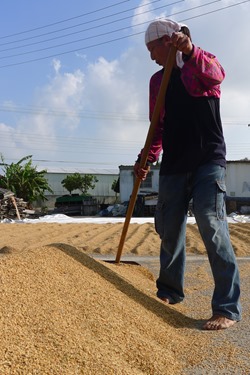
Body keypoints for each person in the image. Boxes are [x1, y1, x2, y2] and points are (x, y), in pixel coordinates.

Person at [134, 19, 242, 330]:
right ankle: (169, 291)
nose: (151, 56)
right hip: (174, 164)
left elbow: (217, 74)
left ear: (167, 42)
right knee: (169, 227)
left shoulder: (201, 63)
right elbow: (157, 125)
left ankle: (226, 308)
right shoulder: (158, 81)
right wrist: (146, 159)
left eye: (152, 48)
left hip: (208, 159)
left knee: (211, 221)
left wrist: (190, 50)